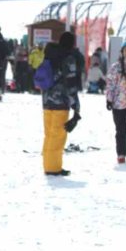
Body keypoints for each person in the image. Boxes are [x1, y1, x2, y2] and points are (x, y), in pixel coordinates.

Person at [41, 31, 82, 176]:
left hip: (46, 101)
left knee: (49, 135)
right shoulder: (68, 58)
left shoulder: (50, 54)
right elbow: (71, 84)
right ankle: (53, 168)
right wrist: (76, 108)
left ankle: (48, 164)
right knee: (57, 136)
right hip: (60, 102)